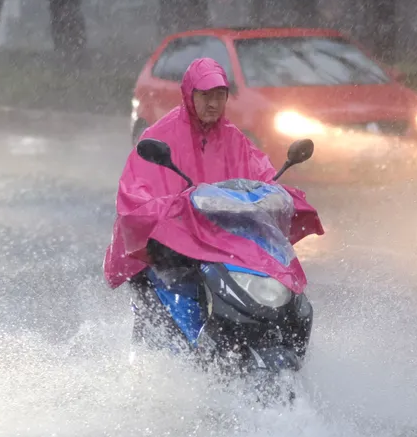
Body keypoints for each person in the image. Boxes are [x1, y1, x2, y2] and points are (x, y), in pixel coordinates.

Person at [102, 57, 293, 346]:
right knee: (183, 298)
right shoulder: (160, 135)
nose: (213, 103)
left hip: (223, 240)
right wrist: (169, 209)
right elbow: (135, 192)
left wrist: (276, 194)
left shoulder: (234, 139)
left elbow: (261, 175)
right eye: (205, 95)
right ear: (190, 95)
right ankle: (186, 353)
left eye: (219, 95)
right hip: (172, 245)